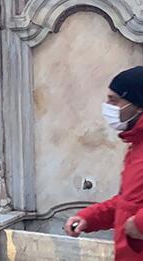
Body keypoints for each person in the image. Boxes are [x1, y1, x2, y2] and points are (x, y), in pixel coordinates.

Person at [64, 66, 143, 261]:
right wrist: (88, 218)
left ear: (138, 105)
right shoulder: (136, 145)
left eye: (114, 100)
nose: (107, 106)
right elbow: (127, 203)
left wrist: (140, 224)